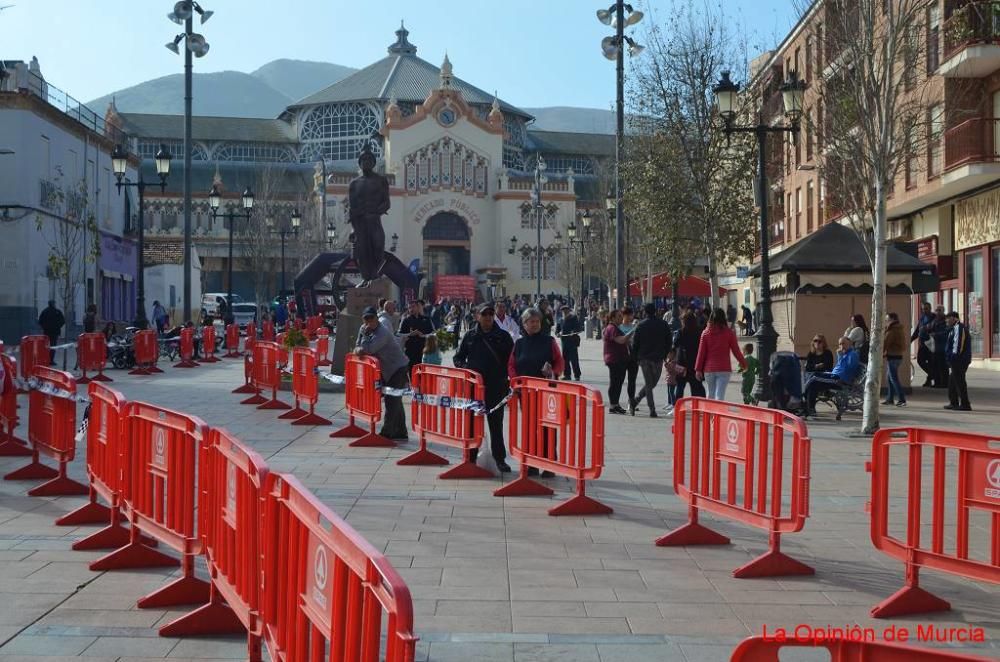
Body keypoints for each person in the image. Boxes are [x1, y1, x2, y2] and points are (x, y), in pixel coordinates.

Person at [454, 302, 515, 473]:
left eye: (490, 314)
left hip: (496, 387)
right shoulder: (470, 336)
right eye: (484, 314)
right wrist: (466, 368)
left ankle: (500, 459)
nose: (488, 317)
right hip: (474, 389)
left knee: (496, 425)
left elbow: (511, 360)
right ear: (477, 316)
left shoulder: (503, 336)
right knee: (472, 423)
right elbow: (458, 358)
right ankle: (471, 457)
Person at [509, 307, 564, 477]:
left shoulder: (550, 341)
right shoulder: (519, 344)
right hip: (526, 393)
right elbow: (511, 365)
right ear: (524, 324)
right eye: (531, 322)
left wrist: (552, 372)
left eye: (537, 321)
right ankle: (531, 463)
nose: (534, 324)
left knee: (548, 428)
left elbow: (559, 362)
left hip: (547, 393)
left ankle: (549, 464)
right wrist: (515, 382)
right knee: (529, 428)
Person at [355, 306, 410, 439]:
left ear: (376, 318)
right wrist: (361, 340)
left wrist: (365, 336)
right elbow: (357, 347)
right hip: (388, 369)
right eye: (366, 318)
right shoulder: (364, 330)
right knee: (395, 399)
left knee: (391, 400)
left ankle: (387, 433)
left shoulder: (382, 332)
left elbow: (369, 349)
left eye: (371, 318)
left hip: (397, 367)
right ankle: (401, 431)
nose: (369, 321)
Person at [348, 143, 391, 286]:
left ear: (373, 162)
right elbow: (352, 208)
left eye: (369, 159)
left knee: (378, 245)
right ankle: (366, 277)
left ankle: (374, 276)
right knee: (361, 251)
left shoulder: (381, 181)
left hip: (374, 221)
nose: (366, 162)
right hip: (360, 223)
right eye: (363, 160)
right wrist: (354, 228)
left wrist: (375, 211)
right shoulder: (354, 184)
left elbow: (386, 202)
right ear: (359, 163)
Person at [694, 308, 747, 401]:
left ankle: (709, 414)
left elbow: (701, 352)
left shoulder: (705, 333)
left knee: (710, 393)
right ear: (724, 318)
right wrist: (744, 364)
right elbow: (736, 351)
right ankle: (717, 415)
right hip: (724, 368)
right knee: (720, 394)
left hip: (709, 369)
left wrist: (698, 369)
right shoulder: (729, 333)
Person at [629, 303, 673, 417]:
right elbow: (669, 340)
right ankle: (652, 409)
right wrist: (665, 353)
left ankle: (635, 401)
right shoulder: (663, 324)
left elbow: (635, 343)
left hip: (644, 358)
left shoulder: (640, 325)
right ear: (656, 311)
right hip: (658, 357)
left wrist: (635, 357)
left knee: (650, 384)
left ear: (645, 312)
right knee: (651, 383)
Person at [803, 336, 861, 416]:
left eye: (843, 344)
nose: (841, 346)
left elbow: (849, 368)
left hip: (839, 380)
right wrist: (840, 355)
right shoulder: (845, 354)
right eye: (840, 344)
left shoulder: (852, 354)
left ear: (849, 344)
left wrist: (841, 355)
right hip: (832, 376)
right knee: (813, 385)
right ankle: (810, 409)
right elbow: (840, 366)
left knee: (813, 378)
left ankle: (803, 403)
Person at [602, 309, 632, 415]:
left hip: (619, 359)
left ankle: (615, 404)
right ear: (613, 318)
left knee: (618, 382)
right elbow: (621, 340)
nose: (621, 318)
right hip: (615, 359)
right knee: (615, 382)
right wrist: (632, 331)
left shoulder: (615, 328)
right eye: (619, 316)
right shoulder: (612, 328)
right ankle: (613, 405)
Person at [674, 311, 706, 401]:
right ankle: (696, 405)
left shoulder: (681, 332)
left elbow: (675, 344)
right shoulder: (699, 332)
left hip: (682, 363)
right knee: (696, 386)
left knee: (680, 386)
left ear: (684, 321)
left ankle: (677, 406)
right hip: (695, 362)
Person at [944, 311, 972, 411]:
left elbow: (958, 346)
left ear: (954, 318)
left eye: (948, 318)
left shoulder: (959, 328)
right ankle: (954, 402)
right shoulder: (952, 329)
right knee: (952, 381)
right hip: (955, 360)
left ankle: (965, 404)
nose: (946, 320)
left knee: (960, 382)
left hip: (959, 360)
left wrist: (952, 358)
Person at [399, 300, 435, 373]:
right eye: (409, 308)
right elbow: (399, 334)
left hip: (424, 351)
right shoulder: (406, 320)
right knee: (412, 372)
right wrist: (410, 334)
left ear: (418, 307)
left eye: (413, 307)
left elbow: (433, 333)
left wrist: (423, 335)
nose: (411, 309)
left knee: (423, 372)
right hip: (410, 351)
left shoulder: (426, 319)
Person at [882, 312, 908, 407]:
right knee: (889, 378)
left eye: (887, 320)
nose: (886, 322)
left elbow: (886, 343)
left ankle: (902, 399)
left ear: (892, 320)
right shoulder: (897, 328)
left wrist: (880, 353)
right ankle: (890, 398)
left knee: (893, 379)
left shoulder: (893, 330)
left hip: (893, 356)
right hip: (895, 356)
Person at [619, 308, 640, 410]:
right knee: (619, 380)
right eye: (630, 315)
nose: (632, 317)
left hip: (633, 357)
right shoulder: (619, 327)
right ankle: (616, 402)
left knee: (632, 380)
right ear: (625, 315)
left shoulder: (635, 327)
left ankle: (631, 402)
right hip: (621, 357)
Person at [911, 301, 936, 387]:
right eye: (923, 309)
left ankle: (930, 379)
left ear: (930, 308)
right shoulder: (922, 318)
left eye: (926, 309)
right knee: (920, 361)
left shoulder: (934, 317)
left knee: (931, 362)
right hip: (922, 343)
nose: (924, 310)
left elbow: (934, 328)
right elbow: (918, 330)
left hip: (930, 343)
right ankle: (933, 374)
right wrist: (911, 339)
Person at [556, 305, 582, 381]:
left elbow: (578, 328)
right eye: (563, 311)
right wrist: (558, 333)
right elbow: (557, 330)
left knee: (574, 359)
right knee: (565, 359)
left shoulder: (573, 318)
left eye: (566, 310)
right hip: (564, 341)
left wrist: (573, 332)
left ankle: (577, 375)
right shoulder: (560, 319)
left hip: (572, 341)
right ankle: (567, 375)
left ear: (569, 311)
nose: (564, 312)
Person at [38, 299, 65, 365]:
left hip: (46, 332)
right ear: (54, 304)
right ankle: (51, 360)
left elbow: (40, 321)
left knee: (46, 346)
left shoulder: (45, 311)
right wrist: (58, 326)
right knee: (53, 346)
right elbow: (63, 321)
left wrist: (44, 327)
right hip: (55, 332)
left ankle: (46, 359)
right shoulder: (57, 311)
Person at [929, 306, 949, 389]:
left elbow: (946, 333)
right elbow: (929, 327)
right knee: (935, 365)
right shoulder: (935, 320)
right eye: (936, 310)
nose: (937, 312)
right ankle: (937, 382)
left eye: (939, 310)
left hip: (943, 347)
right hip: (935, 347)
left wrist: (936, 335)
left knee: (943, 366)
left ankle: (945, 383)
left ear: (943, 311)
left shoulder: (945, 321)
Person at [662, 348, 685, 414]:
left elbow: (671, 369)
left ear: (673, 354)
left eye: (669, 354)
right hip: (669, 379)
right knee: (669, 391)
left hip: (673, 380)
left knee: (671, 392)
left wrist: (666, 364)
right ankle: (669, 403)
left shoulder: (674, 361)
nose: (668, 356)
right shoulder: (670, 360)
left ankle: (673, 404)